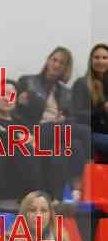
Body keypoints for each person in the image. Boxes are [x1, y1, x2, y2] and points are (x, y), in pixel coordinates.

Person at [16, 47, 90, 196]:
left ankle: (63, 197)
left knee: (72, 146)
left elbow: (70, 117)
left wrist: (63, 119)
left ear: (65, 68)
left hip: (55, 134)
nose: (56, 65)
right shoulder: (27, 81)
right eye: (54, 60)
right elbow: (15, 111)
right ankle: (90, 168)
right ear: (48, 60)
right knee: (84, 131)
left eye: (61, 63)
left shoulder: (66, 93)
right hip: (34, 131)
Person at [0, 80, 47, 209]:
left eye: (12, 95)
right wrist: (18, 138)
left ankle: (50, 198)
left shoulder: (20, 121)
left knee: (53, 150)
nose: (7, 99)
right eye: (3, 94)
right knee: (22, 148)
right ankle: (34, 197)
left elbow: (32, 139)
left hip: (19, 170)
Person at [71, 43, 108, 162]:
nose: (100, 61)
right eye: (97, 57)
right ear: (91, 60)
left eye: (104, 58)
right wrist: (103, 110)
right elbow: (76, 113)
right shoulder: (81, 83)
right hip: (90, 133)